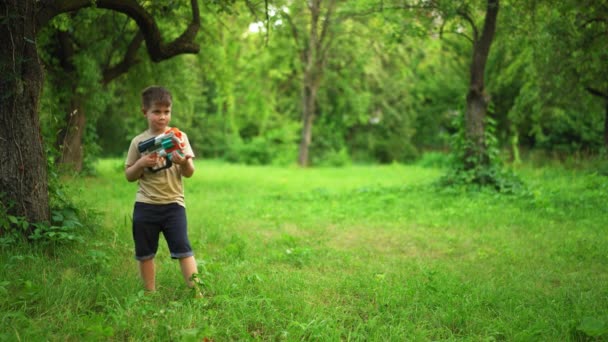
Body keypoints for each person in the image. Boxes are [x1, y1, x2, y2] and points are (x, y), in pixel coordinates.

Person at [125, 85, 201, 296]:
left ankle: (197, 293)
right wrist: (141, 163)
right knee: (145, 252)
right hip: (145, 205)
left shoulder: (179, 137)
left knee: (183, 249)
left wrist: (183, 162)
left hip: (174, 204)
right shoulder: (138, 142)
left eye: (166, 112)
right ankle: (149, 293)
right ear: (145, 112)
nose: (162, 117)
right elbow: (129, 175)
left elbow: (189, 172)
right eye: (156, 112)